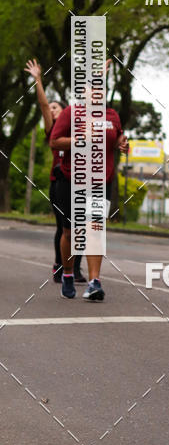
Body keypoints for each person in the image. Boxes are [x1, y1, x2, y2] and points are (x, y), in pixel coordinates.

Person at [49, 65, 128, 300]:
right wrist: (81, 139)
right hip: (71, 181)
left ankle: (94, 282)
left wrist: (122, 143)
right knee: (71, 232)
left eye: (100, 89)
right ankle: (68, 274)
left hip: (100, 181)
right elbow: (55, 142)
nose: (97, 93)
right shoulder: (71, 113)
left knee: (95, 230)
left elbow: (118, 138)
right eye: (92, 89)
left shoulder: (111, 115)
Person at [23, 59, 86, 284]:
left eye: (55, 107)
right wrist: (38, 79)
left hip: (79, 182)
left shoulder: (77, 125)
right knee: (64, 226)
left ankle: (75, 268)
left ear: (65, 110)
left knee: (81, 226)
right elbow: (42, 105)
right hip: (58, 182)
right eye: (50, 109)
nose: (51, 109)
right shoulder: (53, 130)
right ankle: (60, 265)